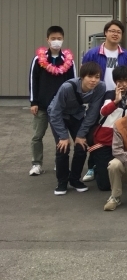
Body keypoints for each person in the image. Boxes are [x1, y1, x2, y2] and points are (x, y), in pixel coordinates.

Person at [48, 62, 106, 195]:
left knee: (81, 146)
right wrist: (63, 136)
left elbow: (92, 113)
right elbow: (55, 112)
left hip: (76, 114)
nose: (93, 80)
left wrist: (81, 134)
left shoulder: (100, 87)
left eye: (97, 77)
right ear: (82, 77)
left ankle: (75, 179)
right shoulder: (67, 87)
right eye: (90, 77)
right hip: (58, 115)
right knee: (63, 147)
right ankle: (62, 182)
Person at [28, 25, 76, 176]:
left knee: (60, 137)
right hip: (41, 106)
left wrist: (71, 104)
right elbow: (32, 81)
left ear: (63, 40)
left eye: (59, 39)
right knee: (37, 136)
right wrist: (33, 102)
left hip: (60, 108)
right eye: (53, 38)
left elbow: (73, 84)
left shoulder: (68, 61)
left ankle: (59, 161)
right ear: (47, 40)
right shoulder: (38, 59)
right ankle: (37, 164)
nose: (56, 41)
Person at [86, 65, 127, 191]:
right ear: (115, 81)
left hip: (123, 142)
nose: (123, 84)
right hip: (104, 142)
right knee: (105, 186)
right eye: (119, 81)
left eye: (126, 80)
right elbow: (103, 112)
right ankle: (96, 167)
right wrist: (116, 101)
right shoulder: (110, 95)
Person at [82, 20, 127, 92]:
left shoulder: (126, 55)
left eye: (119, 32)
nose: (115, 34)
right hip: (96, 95)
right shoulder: (92, 54)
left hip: (119, 94)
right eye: (112, 31)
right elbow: (83, 75)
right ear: (105, 32)